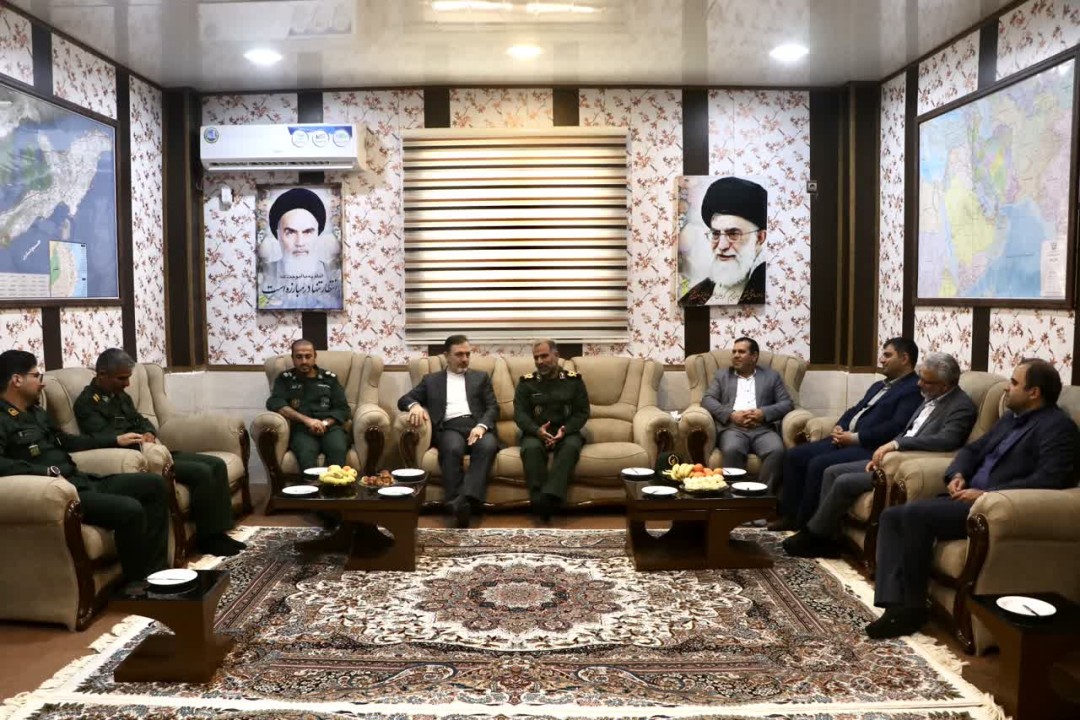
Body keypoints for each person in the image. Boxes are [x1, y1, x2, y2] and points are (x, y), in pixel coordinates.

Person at [868, 358, 1077, 639]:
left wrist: (988, 494)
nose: (1007, 388)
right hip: (965, 496)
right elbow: (973, 450)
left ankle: (912, 608)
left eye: (1014, 383)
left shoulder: (1058, 428)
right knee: (892, 515)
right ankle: (893, 603)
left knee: (914, 516)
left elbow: (1049, 479)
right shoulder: (1010, 419)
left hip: (990, 507)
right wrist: (958, 474)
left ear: (1034, 392)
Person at [782, 352, 976, 558]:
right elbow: (907, 430)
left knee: (844, 481)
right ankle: (827, 537)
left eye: (926, 381)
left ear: (944, 385)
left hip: (905, 464)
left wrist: (895, 445)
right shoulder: (930, 396)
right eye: (920, 378)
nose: (919, 384)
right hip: (889, 458)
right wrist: (885, 452)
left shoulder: (961, 406)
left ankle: (814, 535)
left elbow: (945, 441)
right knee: (831, 471)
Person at [0, 350, 169, 582]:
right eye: (36, 376)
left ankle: (158, 574)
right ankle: (137, 586)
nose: (42, 383)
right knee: (130, 509)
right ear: (17, 380)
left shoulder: (36, 413)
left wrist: (114, 440)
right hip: (59, 492)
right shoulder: (2, 419)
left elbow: (68, 442)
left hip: (80, 480)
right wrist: (43, 472)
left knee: (154, 485)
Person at [74, 348, 244, 557]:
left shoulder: (120, 396)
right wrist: (138, 440)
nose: (127, 384)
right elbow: (105, 437)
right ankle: (207, 539)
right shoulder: (87, 403)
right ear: (102, 374)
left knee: (216, 464)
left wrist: (148, 432)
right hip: (138, 458)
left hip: (154, 449)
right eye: (122, 378)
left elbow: (141, 420)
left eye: (128, 378)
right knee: (201, 472)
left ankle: (218, 533)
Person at [772, 337, 922, 531]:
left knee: (818, 464)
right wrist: (840, 426)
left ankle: (807, 525)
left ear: (904, 358)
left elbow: (894, 427)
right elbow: (854, 410)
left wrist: (854, 438)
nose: (881, 360)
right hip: (846, 438)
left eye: (887, 355)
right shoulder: (879, 385)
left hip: (868, 446)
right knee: (794, 455)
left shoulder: (913, 389)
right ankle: (789, 516)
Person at [398, 334, 498, 527]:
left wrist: (481, 426)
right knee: (452, 449)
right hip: (450, 427)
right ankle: (460, 503)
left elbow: (493, 407)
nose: (465, 359)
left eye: (467, 354)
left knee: (487, 446)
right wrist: (414, 406)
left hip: (477, 426)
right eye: (459, 354)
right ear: (446, 356)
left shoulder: (481, 377)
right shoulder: (431, 380)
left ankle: (460, 502)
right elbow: (404, 399)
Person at [701, 336, 792, 489]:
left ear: (754, 356)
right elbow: (707, 400)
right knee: (732, 449)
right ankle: (735, 496)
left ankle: (763, 495)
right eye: (734, 352)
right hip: (733, 428)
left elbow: (787, 404)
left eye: (741, 352)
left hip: (763, 429)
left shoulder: (771, 376)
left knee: (776, 451)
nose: (736, 355)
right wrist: (731, 414)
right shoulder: (722, 375)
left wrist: (763, 413)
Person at [514, 339, 590, 522]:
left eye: (544, 356)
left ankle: (547, 498)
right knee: (531, 449)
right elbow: (520, 415)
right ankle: (540, 500)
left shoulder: (573, 381)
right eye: (536, 358)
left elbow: (582, 412)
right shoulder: (526, 383)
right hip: (535, 432)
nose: (539, 361)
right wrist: (536, 430)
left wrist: (565, 429)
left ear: (556, 355)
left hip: (566, 431)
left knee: (570, 447)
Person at [678, 176, 767, 306]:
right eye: (716, 234)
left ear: (759, 238)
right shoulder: (697, 294)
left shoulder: (770, 285)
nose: (721, 246)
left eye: (733, 234)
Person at [266, 339, 350, 473]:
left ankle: (334, 485)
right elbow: (275, 402)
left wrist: (324, 424)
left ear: (315, 356)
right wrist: (308, 421)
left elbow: (343, 408)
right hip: (301, 429)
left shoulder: (329, 378)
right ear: (293, 358)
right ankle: (310, 485)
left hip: (330, 428)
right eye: (299, 357)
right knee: (306, 454)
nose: (304, 361)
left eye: (308, 356)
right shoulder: (285, 379)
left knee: (337, 449)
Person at [257, 187, 342, 310]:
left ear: (317, 234)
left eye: (307, 232)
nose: (300, 243)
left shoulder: (333, 276)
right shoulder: (264, 275)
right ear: (278, 235)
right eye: (290, 232)